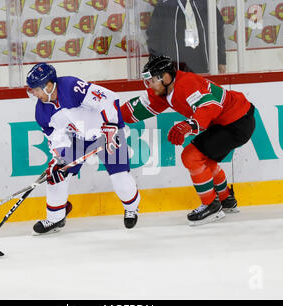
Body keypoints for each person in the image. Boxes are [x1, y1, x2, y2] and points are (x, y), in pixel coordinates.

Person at [120, 55, 256, 226]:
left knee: (191, 156)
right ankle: (225, 199)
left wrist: (191, 124)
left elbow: (210, 105)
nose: (150, 85)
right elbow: (138, 108)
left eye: (152, 80)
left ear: (166, 77)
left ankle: (210, 206)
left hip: (237, 122)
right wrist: (110, 115)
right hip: (230, 121)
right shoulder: (163, 92)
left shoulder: (187, 84)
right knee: (205, 160)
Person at [26, 63, 141, 233]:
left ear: (49, 85)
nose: (34, 93)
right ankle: (55, 218)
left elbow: (108, 98)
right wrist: (58, 161)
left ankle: (131, 208)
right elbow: (55, 138)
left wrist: (111, 126)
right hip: (78, 140)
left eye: (36, 89)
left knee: (120, 179)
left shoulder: (71, 87)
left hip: (108, 132)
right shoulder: (41, 112)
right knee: (57, 176)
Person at [146, 0, 226, 74]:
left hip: (203, 63)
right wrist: (158, 66)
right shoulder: (164, 5)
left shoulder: (206, 3)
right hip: (176, 66)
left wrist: (221, 60)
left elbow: (218, 32)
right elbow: (154, 37)